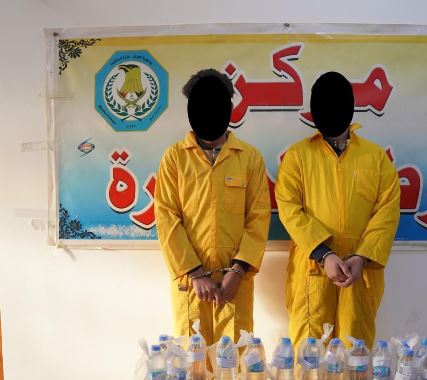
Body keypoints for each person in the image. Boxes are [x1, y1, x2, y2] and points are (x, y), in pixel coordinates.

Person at [275, 71, 400, 349]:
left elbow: (387, 212)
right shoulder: (297, 157)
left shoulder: (376, 158)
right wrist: (324, 254)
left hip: (359, 274)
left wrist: (362, 256)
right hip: (312, 272)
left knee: (355, 357)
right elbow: (289, 208)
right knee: (309, 358)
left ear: (350, 107)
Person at [155, 69, 271, 343]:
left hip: (235, 284)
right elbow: (166, 218)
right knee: (192, 362)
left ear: (228, 107)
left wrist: (238, 271)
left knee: (236, 362)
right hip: (191, 286)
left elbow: (258, 217)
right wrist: (196, 273)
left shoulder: (250, 158)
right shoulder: (174, 158)